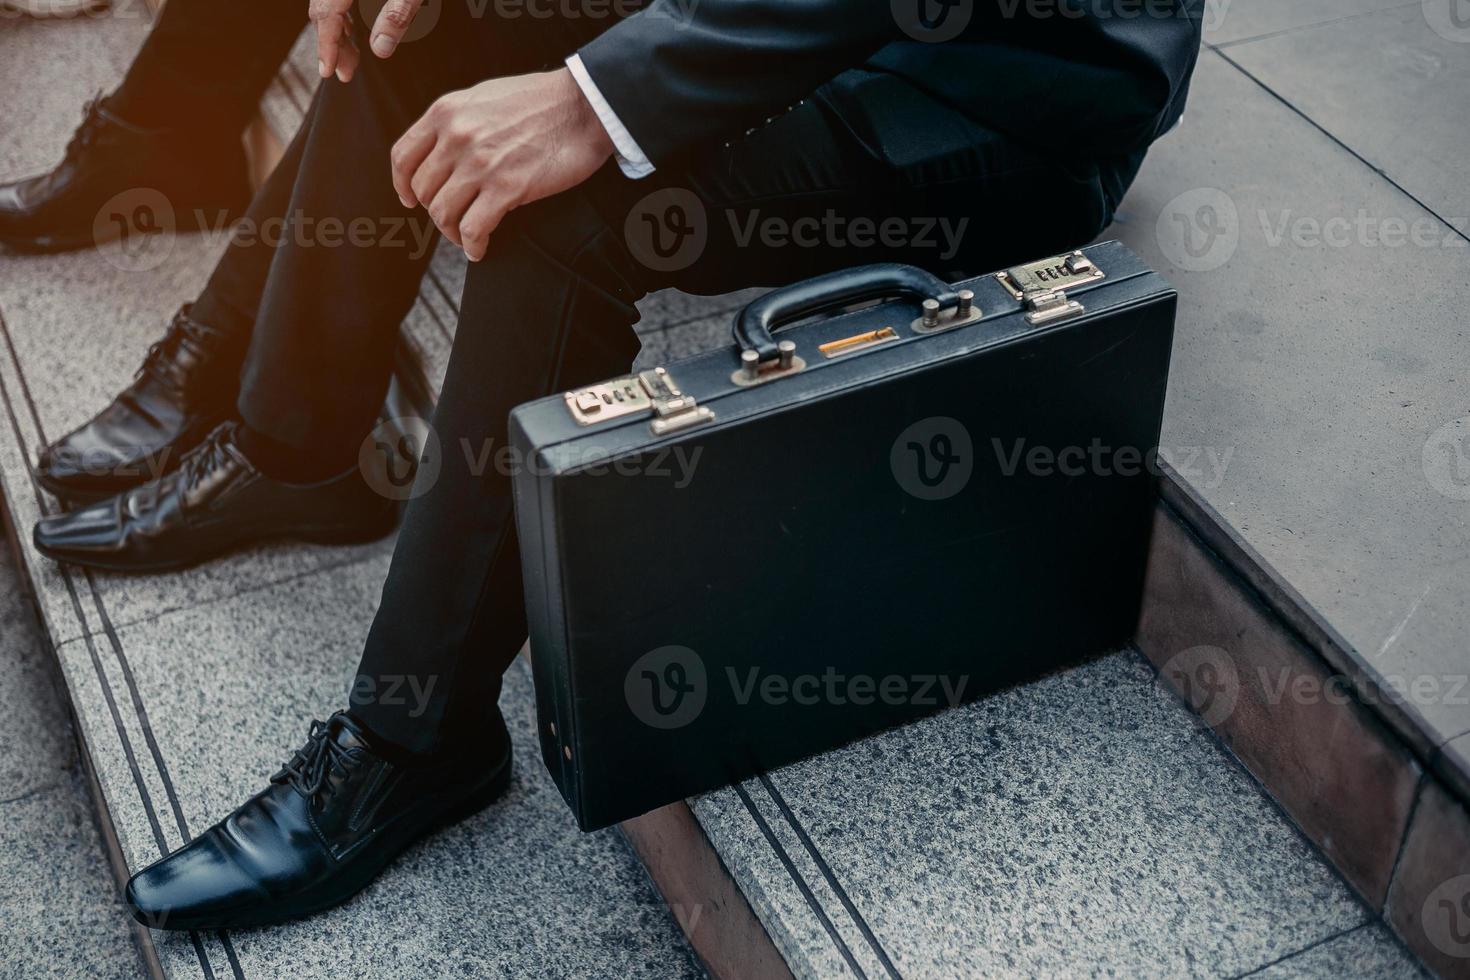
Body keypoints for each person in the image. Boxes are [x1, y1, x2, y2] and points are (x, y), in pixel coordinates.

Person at [31, 0, 1203, 929]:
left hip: (997, 79)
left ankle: (414, 738)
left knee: (566, 217)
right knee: (425, 27)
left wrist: (600, 98)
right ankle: (297, 448)